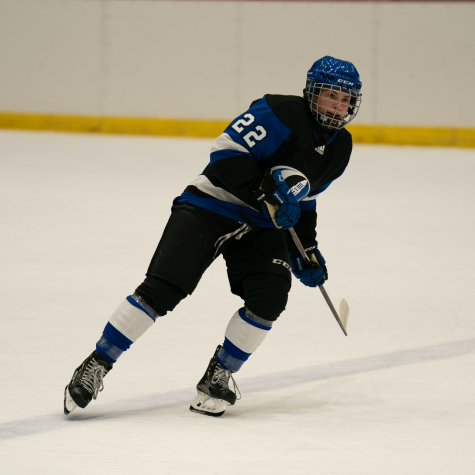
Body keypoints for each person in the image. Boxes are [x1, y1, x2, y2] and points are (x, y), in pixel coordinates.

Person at [63, 55, 362, 417]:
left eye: (346, 100)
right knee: (162, 289)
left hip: (262, 226)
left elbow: (305, 199)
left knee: (270, 296)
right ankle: (96, 364)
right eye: (331, 96)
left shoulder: (340, 148)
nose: (338, 106)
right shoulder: (281, 112)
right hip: (212, 204)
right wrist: (263, 191)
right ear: (312, 93)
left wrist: (307, 249)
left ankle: (219, 374)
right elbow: (226, 152)